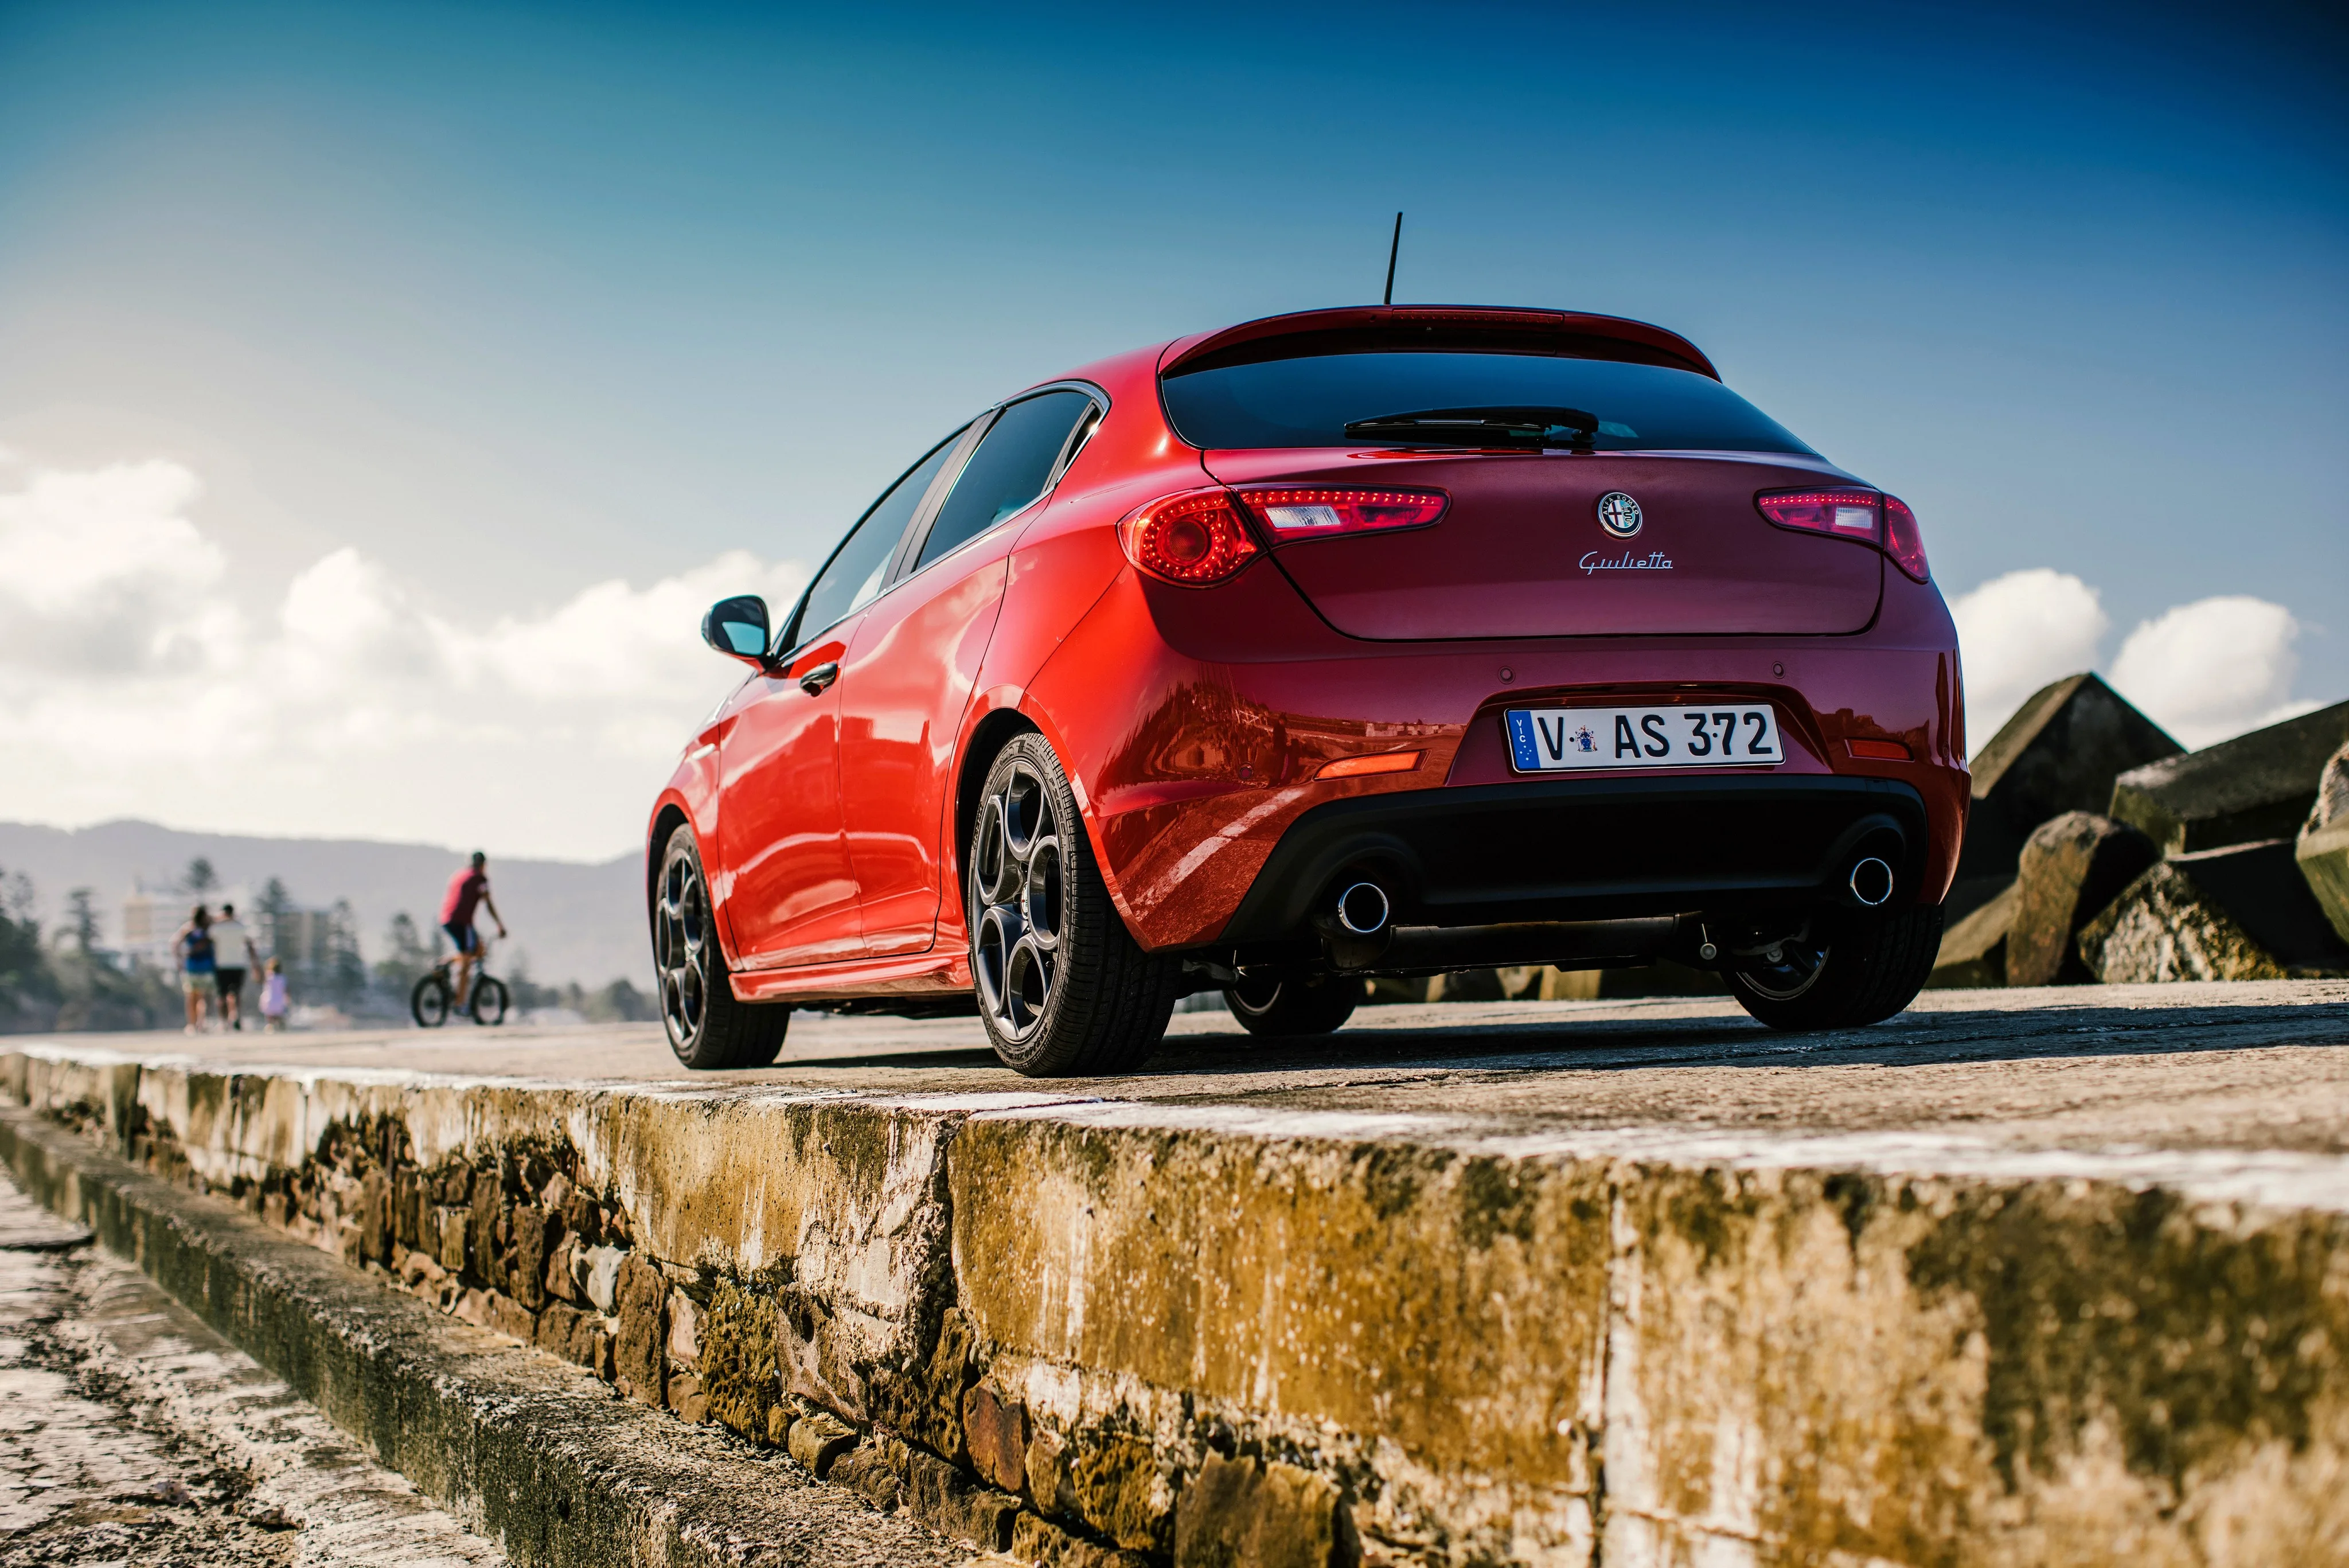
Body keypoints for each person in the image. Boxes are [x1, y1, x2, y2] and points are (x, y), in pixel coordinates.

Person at [439, 851, 508, 1013]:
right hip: (462, 921)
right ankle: (460, 1004)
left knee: (474, 950)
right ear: (484, 865)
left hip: (446, 918)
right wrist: (500, 925)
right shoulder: (480, 878)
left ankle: (446, 963)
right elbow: (488, 903)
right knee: (469, 958)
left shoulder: (459, 875)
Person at [211, 902, 256, 1030]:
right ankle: (236, 1017)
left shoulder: (217, 928)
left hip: (222, 965)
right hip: (238, 964)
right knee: (236, 994)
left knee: (222, 995)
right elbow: (250, 944)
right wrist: (255, 964)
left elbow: (209, 939)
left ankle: (223, 1022)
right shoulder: (241, 927)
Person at [173, 904, 217, 1033]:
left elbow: (175, 944)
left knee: (202, 997)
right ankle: (194, 1024)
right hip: (195, 967)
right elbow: (175, 943)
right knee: (194, 997)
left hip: (203, 967)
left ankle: (200, 1023)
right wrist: (180, 960)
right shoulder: (190, 929)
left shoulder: (207, 928)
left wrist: (180, 959)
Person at [259, 958, 289, 1032]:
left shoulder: (268, 977)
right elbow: (286, 990)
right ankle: (280, 1024)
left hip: (269, 1000)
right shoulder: (283, 978)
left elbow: (260, 980)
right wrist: (288, 1000)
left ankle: (270, 1025)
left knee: (270, 1015)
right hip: (279, 1000)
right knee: (279, 1014)